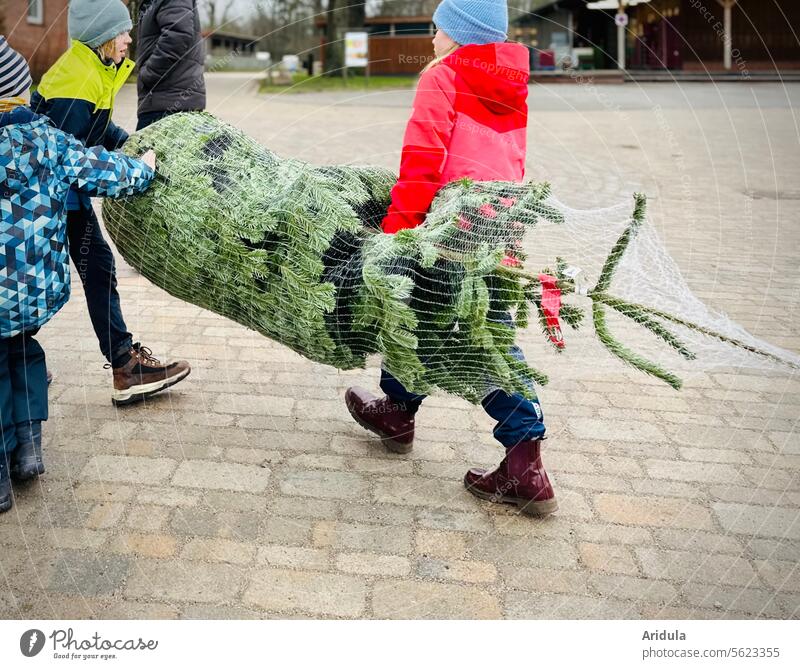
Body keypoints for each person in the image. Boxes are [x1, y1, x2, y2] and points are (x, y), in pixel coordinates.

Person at [344, 0, 557, 516]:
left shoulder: (443, 76)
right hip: (495, 227)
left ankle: (524, 455)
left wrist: (398, 230)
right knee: (421, 315)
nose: (431, 37)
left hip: (450, 229)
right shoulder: (510, 82)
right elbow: (512, 164)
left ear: (461, 32)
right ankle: (397, 409)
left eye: (437, 27)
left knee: (468, 338)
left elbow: (423, 155)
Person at [1, 37, 156, 512]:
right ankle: (28, 452)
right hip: (34, 291)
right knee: (22, 353)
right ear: (23, 93)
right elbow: (106, 171)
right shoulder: (48, 140)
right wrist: (144, 169)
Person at [30, 0, 191, 406]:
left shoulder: (93, 69)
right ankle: (120, 364)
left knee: (62, 276)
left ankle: (119, 363)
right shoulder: (77, 80)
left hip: (61, 198)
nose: (128, 38)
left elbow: (96, 128)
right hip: (49, 201)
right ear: (101, 35)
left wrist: (130, 145)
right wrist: (127, 173)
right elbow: (65, 158)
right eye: (121, 32)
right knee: (49, 278)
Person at [135, 0, 206, 130]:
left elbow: (177, 36)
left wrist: (148, 75)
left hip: (168, 103)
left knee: (143, 150)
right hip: (166, 101)